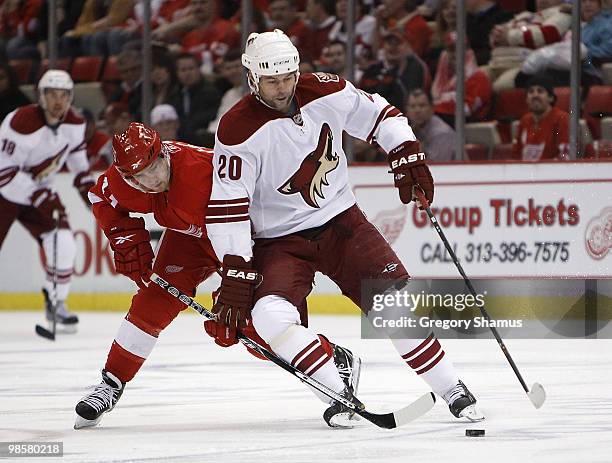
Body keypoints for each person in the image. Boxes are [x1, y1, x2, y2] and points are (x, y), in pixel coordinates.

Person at [206, 29, 484, 428]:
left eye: (287, 77)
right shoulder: (236, 130)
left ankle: (451, 388)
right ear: (252, 78)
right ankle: (337, 388)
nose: (282, 88)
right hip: (279, 241)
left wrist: (405, 150)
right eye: (271, 80)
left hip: (342, 223)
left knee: (392, 307)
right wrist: (234, 266)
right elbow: (228, 206)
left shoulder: (326, 90)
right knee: (268, 316)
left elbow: (381, 115)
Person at [75, 122, 360, 429]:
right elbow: (101, 198)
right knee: (153, 302)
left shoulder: (202, 177)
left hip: (248, 237)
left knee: (253, 329)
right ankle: (111, 382)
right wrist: (124, 237)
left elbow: (245, 234)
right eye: (139, 177)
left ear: (163, 153)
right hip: (190, 236)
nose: (151, 180)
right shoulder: (125, 183)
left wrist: (235, 289)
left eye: (154, 167)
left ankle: (335, 358)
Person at [0, 70, 94, 328]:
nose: (58, 101)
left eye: (63, 95)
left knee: (64, 244)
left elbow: (79, 165)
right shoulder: (22, 122)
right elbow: (4, 173)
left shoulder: (75, 124)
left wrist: (90, 192)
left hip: (37, 192)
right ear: (41, 96)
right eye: (52, 94)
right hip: (5, 192)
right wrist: (37, 194)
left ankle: (56, 303)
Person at [513, 74, 569, 161]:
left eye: (540, 91)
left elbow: (565, 156)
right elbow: (516, 156)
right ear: (527, 99)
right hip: (525, 172)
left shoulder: (561, 118)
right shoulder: (524, 120)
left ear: (551, 98)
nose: (535, 95)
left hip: (551, 172)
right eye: (531, 91)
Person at [405, 89, 456, 161]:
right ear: (407, 111)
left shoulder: (441, 133)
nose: (417, 110)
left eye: (422, 105)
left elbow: (438, 167)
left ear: (432, 109)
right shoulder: (409, 131)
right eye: (412, 106)